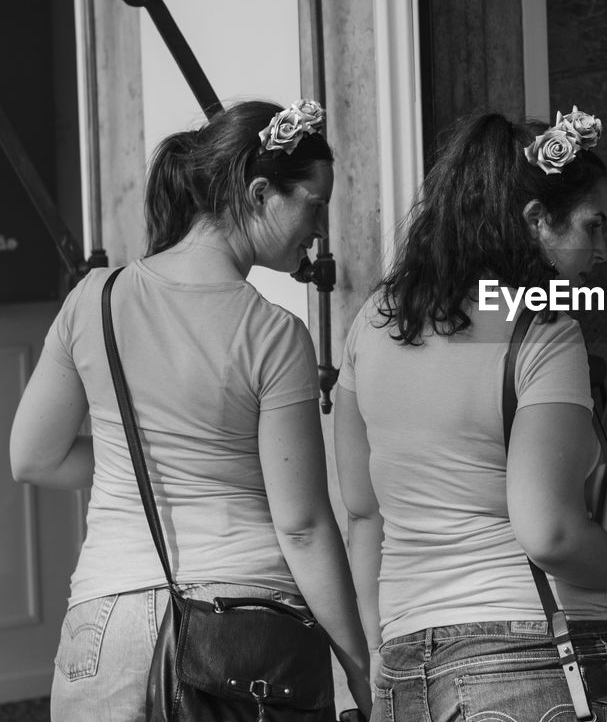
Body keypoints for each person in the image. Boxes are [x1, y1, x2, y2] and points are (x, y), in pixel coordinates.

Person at [9, 99, 372, 720]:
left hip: (105, 628)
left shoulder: (94, 301)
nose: (320, 229)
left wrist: (142, 462)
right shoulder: (273, 333)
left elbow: (32, 457)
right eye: (314, 206)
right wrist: (360, 669)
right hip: (243, 640)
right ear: (260, 193)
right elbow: (303, 526)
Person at [334, 109, 607, 720]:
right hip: (532, 659)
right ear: (536, 220)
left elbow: (364, 512)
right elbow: (549, 532)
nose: (604, 250)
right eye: (592, 226)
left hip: (405, 663)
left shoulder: (375, 321)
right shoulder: (543, 331)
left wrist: (383, 651)